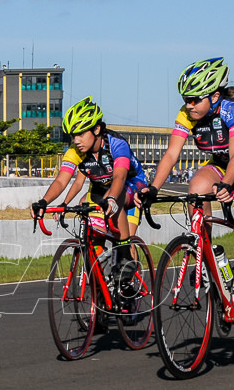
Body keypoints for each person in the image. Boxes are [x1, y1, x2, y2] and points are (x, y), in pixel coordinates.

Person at [136, 57, 234, 356]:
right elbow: (171, 155)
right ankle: (207, 253)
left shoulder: (233, 110)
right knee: (196, 188)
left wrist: (227, 185)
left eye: (193, 99)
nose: (188, 105)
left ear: (214, 96)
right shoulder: (186, 115)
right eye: (184, 100)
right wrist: (152, 188)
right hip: (220, 166)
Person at [31, 96, 149, 300]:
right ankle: (101, 289)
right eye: (72, 135)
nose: (75, 140)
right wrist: (44, 202)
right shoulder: (76, 151)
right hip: (101, 190)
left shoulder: (117, 144)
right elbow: (62, 180)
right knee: (92, 229)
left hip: (130, 186)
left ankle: (126, 264)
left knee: (123, 226)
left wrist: (112, 198)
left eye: (80, 134)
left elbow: (120, 177)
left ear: (96, 130)